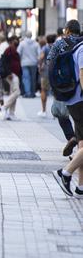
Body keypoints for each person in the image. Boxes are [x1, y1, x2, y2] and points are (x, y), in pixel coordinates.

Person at [53, 27, 83, 198]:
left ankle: (81, 187)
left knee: (82, 145)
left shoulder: (77, 47)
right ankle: (66, 173)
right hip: (80, 101)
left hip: (75, 100)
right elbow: (82, 74)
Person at [47, 20, 82, 158]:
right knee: (79, 120)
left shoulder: (60, 43)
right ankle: (79, 149)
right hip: (79, 87)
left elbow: (50, 63)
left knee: (60, 113)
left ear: (67, 30)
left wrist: (54, 86)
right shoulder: (81, 43)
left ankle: (71, 137)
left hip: (64, 87)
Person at [18, 31, 40, 98]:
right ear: (31, 35)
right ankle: (32, 93)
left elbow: (18, 52)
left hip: (24, 63)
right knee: (33, 78)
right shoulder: (36, 44)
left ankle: (27, 93)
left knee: (26, 78)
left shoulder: (22, 43)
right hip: (33, 63)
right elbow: (39, 53)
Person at [38, 34, 56, 117]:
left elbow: (41, 57)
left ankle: (44, 110)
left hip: (46, 71)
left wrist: (40, 66)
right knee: (56, 92)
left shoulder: (45, 48)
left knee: (44, 90)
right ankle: (56, 111)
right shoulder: (57, 47)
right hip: (55, 71)